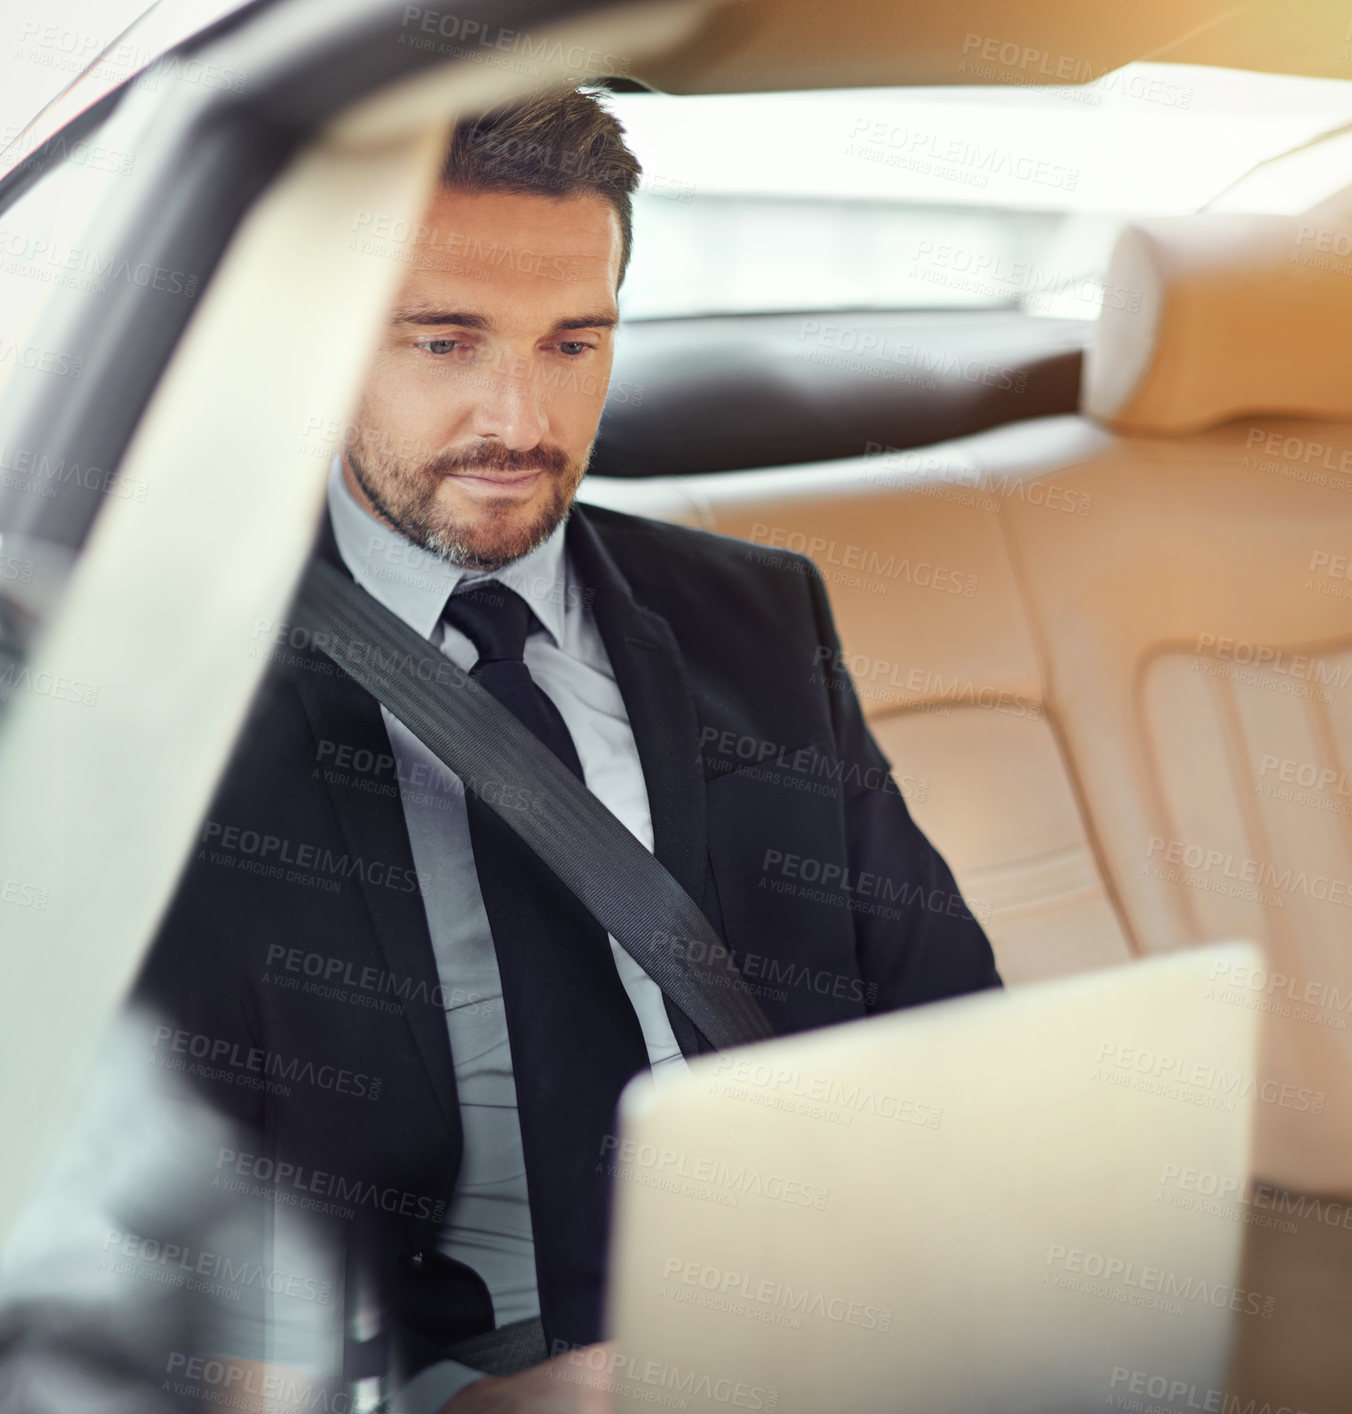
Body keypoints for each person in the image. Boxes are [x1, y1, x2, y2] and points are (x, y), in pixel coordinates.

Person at [0, 86, 999, 1414]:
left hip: (809, 1333)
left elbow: (945, 1030)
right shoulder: (160, 676)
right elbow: (126, 1244)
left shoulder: (753, 615)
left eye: (572, 343)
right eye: (445, 342)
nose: (518, 418)